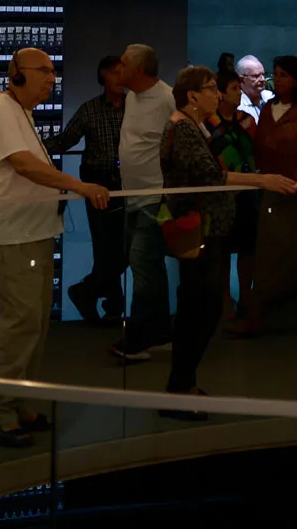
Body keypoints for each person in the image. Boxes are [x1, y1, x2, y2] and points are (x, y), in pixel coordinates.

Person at [0, 49, 112, 448]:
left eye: (54, 71)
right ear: (17, 74)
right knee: (18, 326)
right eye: (44, 71)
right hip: (12, 238)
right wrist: (80, 186)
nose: (52, 78)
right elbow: (25, 166)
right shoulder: (0, 111)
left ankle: (21, 403)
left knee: (34, 325)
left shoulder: (23, 113)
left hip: (32, 234)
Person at [159, 68, 295, 416]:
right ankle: (179, 390)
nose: (216, 95)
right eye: (209, 89)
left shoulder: (194, 126)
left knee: (201, 309)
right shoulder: (183, 129)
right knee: (196, 310)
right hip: (199, 230)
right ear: (191, 95)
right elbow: (212, 175)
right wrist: (260, 180)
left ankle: (184, 385)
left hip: (211, 229)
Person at [227, 55, 297, 335]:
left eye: (282, 74)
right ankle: (257, 312)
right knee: (268, 249)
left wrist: (277, 160)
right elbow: (261, 144)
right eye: (276, 74)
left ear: (295, 79)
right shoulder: (269, 108)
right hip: (274, 185)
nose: (276, 79)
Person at [109, 44, 176, 363]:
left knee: (142, 263)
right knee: (150, 266)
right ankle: (162, 333)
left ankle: (137, 338)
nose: (116, 69)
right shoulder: (132, 96)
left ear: (139, 70)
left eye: (122, 64)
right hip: (131, 197)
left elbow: (193, 133)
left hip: (155, 197)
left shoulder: (167, 98)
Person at [56, 56, 128, 325]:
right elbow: (65, 141)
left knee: (126, 248)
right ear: (104, 76)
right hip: (98, 183)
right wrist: (28, 149)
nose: (121, 78)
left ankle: (87, 291)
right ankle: (113, 305)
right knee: (105, 248)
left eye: (124, 72)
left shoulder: (136, 107)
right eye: (115, 73)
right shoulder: (89, 110)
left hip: (130, 183)